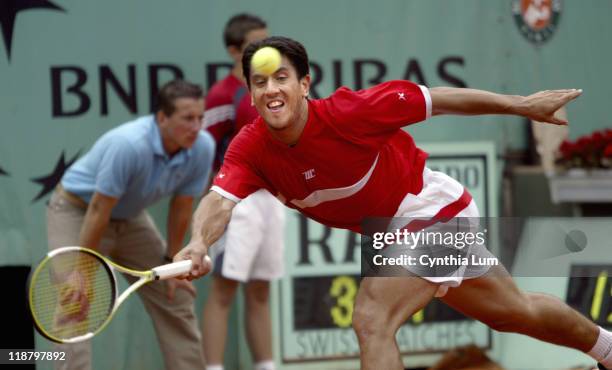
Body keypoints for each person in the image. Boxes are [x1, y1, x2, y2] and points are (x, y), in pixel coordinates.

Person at [175, 36, 611, 370]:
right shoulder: (249, 149)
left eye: (282, 77)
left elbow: (440, 100)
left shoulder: (351, 112)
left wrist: (524, 105)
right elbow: (219, 200)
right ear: (250, 94)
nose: (271, 89)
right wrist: (197, 243)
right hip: (398, 228)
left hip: (433, 209)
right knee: (515, 313)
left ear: (305, 84)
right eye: (260, 82)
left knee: (371, 317)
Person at [47, 79, 214, 370]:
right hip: (77, 211)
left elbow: (183, 205)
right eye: (187, 118)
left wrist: (172, 262)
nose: (196, 126)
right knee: (75, 299)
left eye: (201, 118)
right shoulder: (129, 145)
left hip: (130, 217)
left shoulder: (202, 147)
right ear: (162, 118)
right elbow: (99, 209)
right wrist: (83, 271)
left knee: (174, 295)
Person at [201, 14, 284, 370]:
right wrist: (217, 205)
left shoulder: (276, 89)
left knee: (261, 288)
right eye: (255, 42)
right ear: (233, 50)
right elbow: (205, 154)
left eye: (267, 40)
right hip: (237, 203)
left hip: (274, 200)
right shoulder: (223, 95)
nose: (265, 48)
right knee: (224, 289)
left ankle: (265, 365)